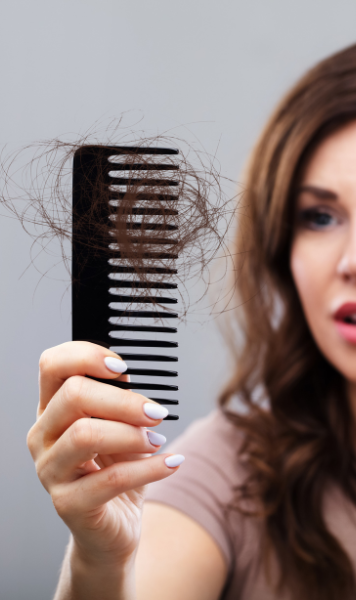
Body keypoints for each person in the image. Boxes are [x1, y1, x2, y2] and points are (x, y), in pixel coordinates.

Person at [29, 42, 356, 600]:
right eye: (320, 216)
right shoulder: (229, 477)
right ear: (282, 245)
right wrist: (100, 565)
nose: (350, 263)